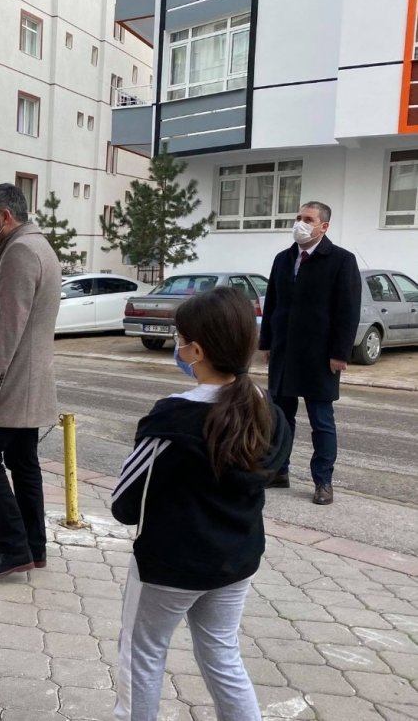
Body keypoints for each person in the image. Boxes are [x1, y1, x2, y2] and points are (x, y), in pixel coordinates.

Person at [112, 287, 292, 721]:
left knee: (142, 655)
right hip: (237, 559)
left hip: (171, 566)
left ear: (196, 349)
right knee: (222, 654)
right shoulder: (270, 410)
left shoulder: (173, 417)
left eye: (179, 338)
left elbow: (124, 502)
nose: (176, 346)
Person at [0, 183, 62, 581]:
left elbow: (10, 324)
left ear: (6, 216)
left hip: (14, 378)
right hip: (31, 376)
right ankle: (33, 546)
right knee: (23, 462)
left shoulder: (21, 252)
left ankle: (14, 547)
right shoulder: (41, 246)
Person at [259, 201, 361, 505]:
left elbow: (348, 311)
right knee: (280, 417)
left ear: (324, 226)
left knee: (321, 421)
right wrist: (267, 342)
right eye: (298, 218)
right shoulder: (283, 259)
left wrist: (340, 353)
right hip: (284, 352)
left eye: (308, 219)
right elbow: (273, 304)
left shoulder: (341, 260)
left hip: (320, 357)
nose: (300, 224)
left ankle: (323, 481)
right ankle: (279, 470)